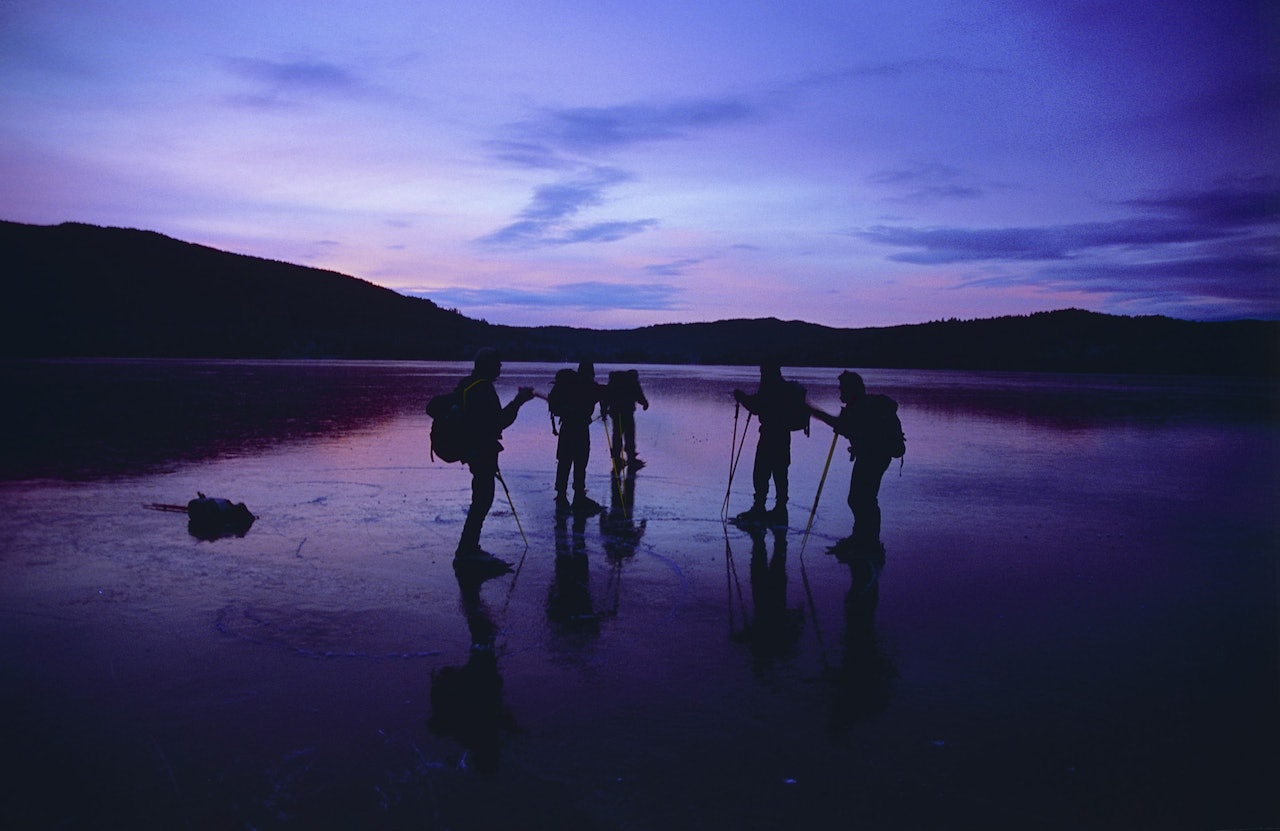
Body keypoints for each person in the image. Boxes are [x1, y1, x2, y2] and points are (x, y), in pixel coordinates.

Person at [454, 348, 535, 572]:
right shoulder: (482, 389)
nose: (500, 368)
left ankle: (469, 547)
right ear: (487, 365)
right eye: (497, 364)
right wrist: (519, 401)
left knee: (481, 498)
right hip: (481, 451)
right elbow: (497, 422)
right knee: (482, 499)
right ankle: (466, 550)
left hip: (473, 450)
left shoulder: (468, 384)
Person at [809, 371, 902, 551]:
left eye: (842, 389)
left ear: (852, 389)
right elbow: (847, 427)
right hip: (873, 456)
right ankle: (864, 538)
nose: (840, 393)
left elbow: (844, 427)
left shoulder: (861, 407)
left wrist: (815, 412)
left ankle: (867, 541)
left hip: (873, 457)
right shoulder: (859, 405)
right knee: (862, 498)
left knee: (862, 498)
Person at [732, 363, 804, 525]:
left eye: (763, 372)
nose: (761, 375)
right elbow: (758, 404)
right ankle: (778, 508)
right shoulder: (783, 388)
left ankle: (762, 507)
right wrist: (744, 398)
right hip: (782, 437)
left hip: (771, 436)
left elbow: (757, 406)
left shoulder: (772, 389)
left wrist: (741, 397)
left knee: (762, 472)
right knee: (779, 472)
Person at [550, 361, 602, 516]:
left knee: (566, 461)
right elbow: (603, 394)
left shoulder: (572, 386)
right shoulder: (590, 387)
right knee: (579, 462)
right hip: (579, 430)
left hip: (567, 429)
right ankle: (576, 496)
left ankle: (563, 495)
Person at [601, 369, 649, 470]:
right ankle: (630, 458)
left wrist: (604, 411)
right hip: (627, 412)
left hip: (615, 412)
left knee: (617, 434)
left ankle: (617, 458)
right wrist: (644, 403)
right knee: (629, 434)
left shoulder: (614, 382)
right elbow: (638, 395)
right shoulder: (632, 382)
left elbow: (606, 397)